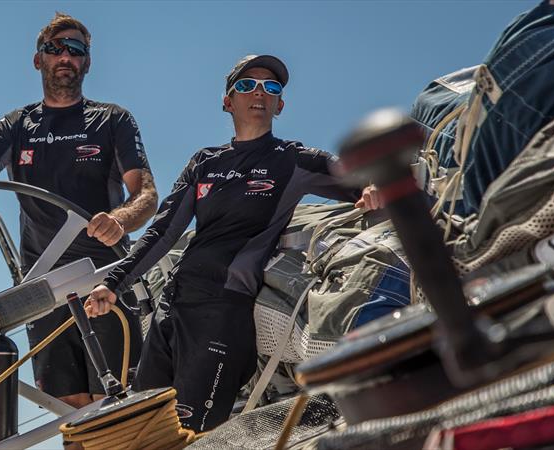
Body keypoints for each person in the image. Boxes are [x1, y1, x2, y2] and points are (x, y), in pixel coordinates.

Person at [85, 54, 380, 432]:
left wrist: (373, 187)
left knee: (194, 437)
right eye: (246, 85)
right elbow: (162, 232)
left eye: (271, 87)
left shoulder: (294, 160)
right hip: (171, 307)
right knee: (143, 430)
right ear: (228, 101)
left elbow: (361, 178)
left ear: (280, 104)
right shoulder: (203, 163)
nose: (259, 92)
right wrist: (113, 283)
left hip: (223, 314)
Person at [0, 12, 158, 409]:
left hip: (105, 278)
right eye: (53, 48)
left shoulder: (113, 120)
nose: (64, 56)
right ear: (37, 59)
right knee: (70, 409)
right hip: (42, 288)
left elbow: (145, 193)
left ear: (87, 62)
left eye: (76, 50)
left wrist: (120, 219)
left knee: (116, 403)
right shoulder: (16, 125)